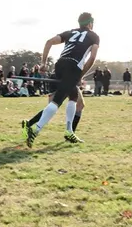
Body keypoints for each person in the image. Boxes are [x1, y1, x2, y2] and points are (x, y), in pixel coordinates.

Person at [22, 13, 100, 146]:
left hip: (60, 65)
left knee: (74, 97)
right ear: (90, 23)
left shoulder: (70, 32)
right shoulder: (94, 36)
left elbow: (49, 42)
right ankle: (34, 129)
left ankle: (69, 131)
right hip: (73, 67)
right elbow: (92, 58)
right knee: (57, 101)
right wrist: (80, 76)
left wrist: (43, 63)